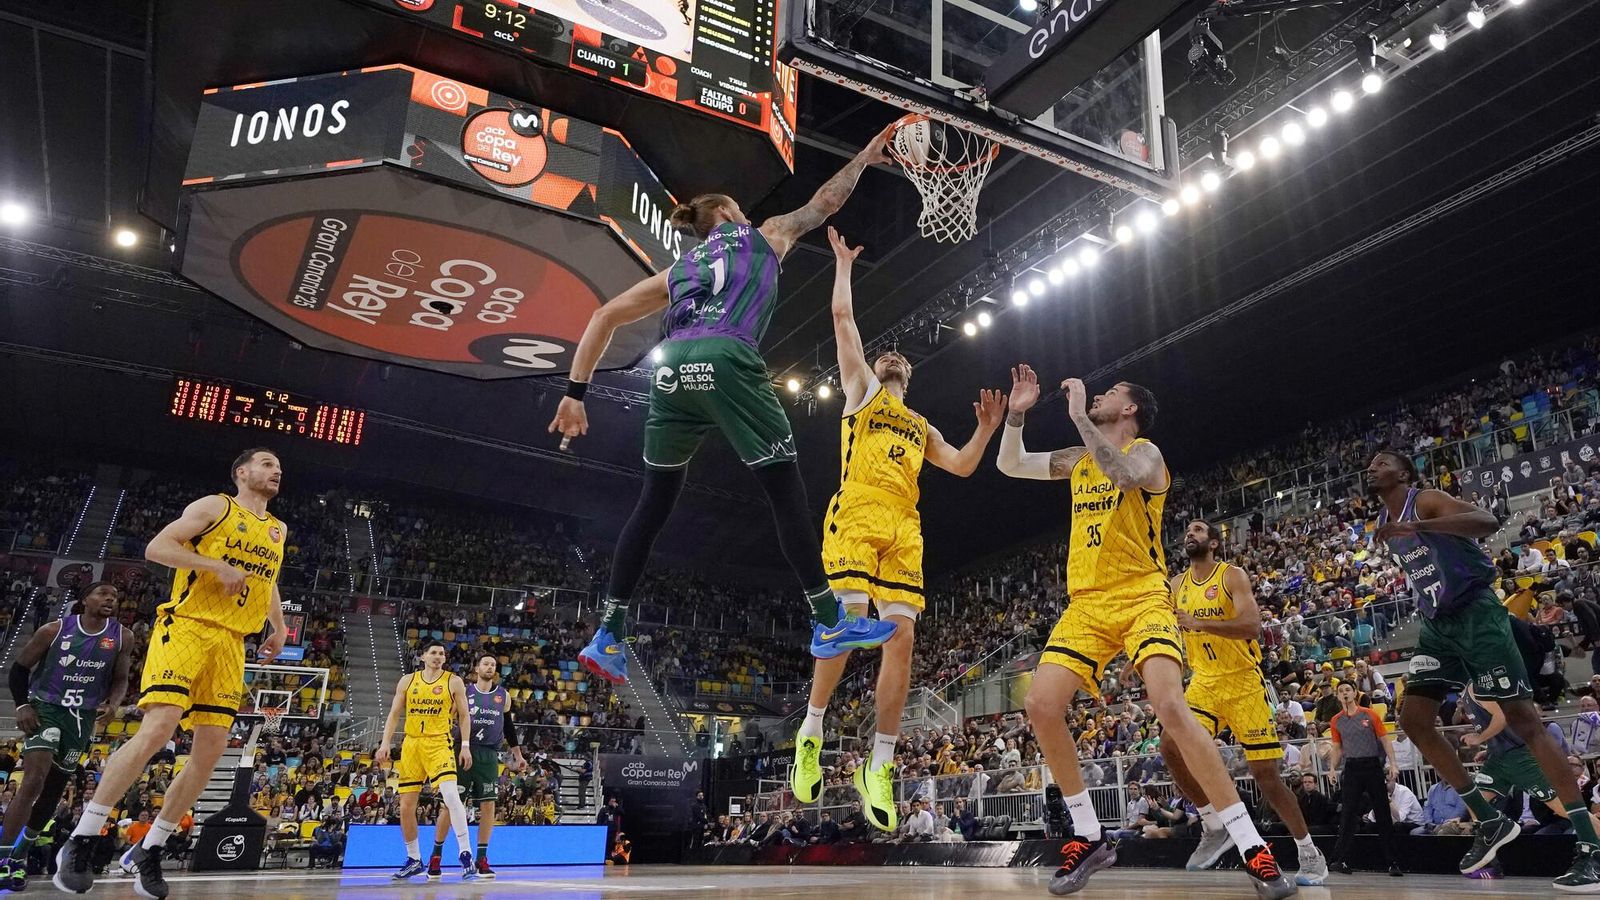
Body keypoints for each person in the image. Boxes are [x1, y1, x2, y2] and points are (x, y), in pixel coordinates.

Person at [551, 129, 900, 685]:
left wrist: (575, 394)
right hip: (727, 356)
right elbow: (824, 204)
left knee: (654, 502)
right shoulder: (765, 235)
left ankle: (609, 632)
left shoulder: (677, 271)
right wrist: (863, 155)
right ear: (728, 213)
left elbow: (602, 317)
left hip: (671, 369)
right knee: (783, 489)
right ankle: (829, 619)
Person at [995, 366, 1292, 899]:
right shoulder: (1079, 459)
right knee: (1040, 705)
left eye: (1111, 393)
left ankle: (1252, 845)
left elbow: (1124, 476)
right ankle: (1090, 836)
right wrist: (1016, 416)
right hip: (1087, 602)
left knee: (1170, 705)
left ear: (1129, 409)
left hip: (1142, 594)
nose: (1100, 395)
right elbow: (1010, 464)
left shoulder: (1147, 453)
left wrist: (1080, 416)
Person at [791, 226, 1005, 833]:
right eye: (883, 355)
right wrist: (842, 265)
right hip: (859, 507)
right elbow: (842, 320)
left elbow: (961, 465)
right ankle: (812, 729)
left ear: (907, 375)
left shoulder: (920, 424)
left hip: (905, 524)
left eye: (897, 360)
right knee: (849, 617)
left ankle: (879, 764)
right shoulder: (862, 392)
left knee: (903, 639)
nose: (888, 358)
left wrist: (986, 429)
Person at [54, 449, 289, 900]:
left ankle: (152, 846)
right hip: (186, 627)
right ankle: (82, 836)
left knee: (211, 751)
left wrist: (278, 627)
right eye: (266, 463)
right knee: (159, 728)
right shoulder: (216, 506)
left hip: (232, 642)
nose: (276, 469)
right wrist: (214, 565)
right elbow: (157, 548)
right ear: (241, 472)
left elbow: (268, 580)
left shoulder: (278, 530)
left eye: (278, 466)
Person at [1371, 449, 1600, 889]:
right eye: (1372, 463)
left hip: (1476, 615)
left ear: (1403, 473)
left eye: (1383, 462)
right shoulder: (1385, 519)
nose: (1373, 467)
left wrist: (1418, 527)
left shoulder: (1425, 501)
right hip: (1438, 625)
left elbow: (1486, 521)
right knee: (1414, 720)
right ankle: (1490, 820)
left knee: (1525, 722)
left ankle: (1591, 845)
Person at [1163, 520, 1328, 884]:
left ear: (1214, 543)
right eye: (1187, 531)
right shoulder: (1176, 585)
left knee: (1266, 777)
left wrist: (1201, 623)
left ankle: (1308, 851)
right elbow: (1166, 627)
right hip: (1203, 682)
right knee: (1169, 745)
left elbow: (1252, 626)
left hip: (1243, 683)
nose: (1190, 534)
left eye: (1198, 530)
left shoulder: (1231, 576)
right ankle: (1213, 823)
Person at [3, 584, 131, 892]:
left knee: (52, 793)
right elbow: (18, 669)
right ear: (85, 600)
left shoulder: (122, 636)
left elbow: (121, 678)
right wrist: (22, 705)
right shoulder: (54, 630)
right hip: (46, 709)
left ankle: (19, 857)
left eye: (114, 595)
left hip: (82, 718)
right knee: (33, 781)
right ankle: (3, 857)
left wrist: (114, 703)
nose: (110, 598)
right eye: (102, 593)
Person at [375, 643, 476, 881]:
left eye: (441, 653)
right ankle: (414, 859)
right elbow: (394, 714)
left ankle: (465, 854)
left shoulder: (453, 681)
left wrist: (465, 745)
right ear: (423, 656)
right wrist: (385, 743)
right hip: (411, 744)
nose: (438, 656)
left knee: (451, 795)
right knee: (405, 806)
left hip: (439, 742)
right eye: (433, 653)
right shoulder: (407, 681)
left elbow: (464, 715)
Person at [427, 654, 526, 879]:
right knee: (450, 806)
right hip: (462, 751)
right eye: (485, 664)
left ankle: (482, 858)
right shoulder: (464, 691)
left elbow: (509, 728)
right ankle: (436, 857)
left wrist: (518, 755)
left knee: (489, 805)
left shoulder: (503, 696)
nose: (489, 667)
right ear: (476, 668)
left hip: (488, 755)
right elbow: (447, 719)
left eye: (493, 665)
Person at [1325, 682, 1402, 876]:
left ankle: (1392, 862)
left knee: (1382, 811)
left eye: (1347, 690)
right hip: (1351, 767)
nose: (1344, 693)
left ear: (1354, 693)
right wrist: (1332, 768)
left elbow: (1385, 740)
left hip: (1372, 765)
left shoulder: (1369, 714)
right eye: (1341, 691)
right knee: (1348, 813)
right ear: (1338, 695)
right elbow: (1337, 747)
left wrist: (1393, 763)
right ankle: (1339, 860)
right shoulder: (1336, 720)